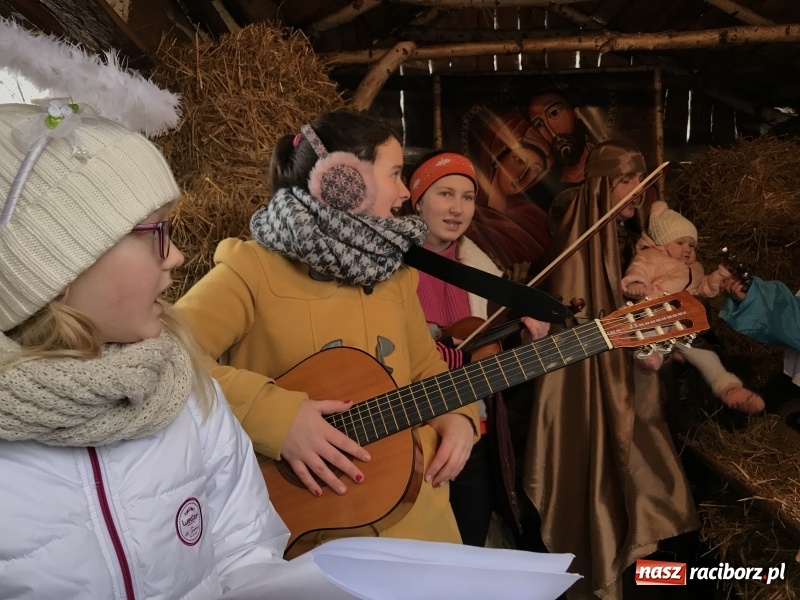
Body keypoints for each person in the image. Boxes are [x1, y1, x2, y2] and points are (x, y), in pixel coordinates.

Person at [0, 101, 289, 597]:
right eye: (154, 231)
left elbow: (245, 549)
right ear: (59, 269)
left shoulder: (186, 393)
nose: (176, 254)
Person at [175, 111, 480, 548]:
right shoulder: (252, 269)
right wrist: (277, 418)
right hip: (309, 532)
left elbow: (425, 367)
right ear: (343, 182)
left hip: (417, 523)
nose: (402, 191)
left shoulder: (395, 275)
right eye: (394, 174)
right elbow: (168, 357)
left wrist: (459, 418)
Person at [521, 142, 700, 599]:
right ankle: (600, 581)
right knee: (607, 483)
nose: (635, 190)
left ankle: (650, 584)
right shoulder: (574, 242)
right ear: (601, 184)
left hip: (638, 387)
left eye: (640, 180)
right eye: (624, 180)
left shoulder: (639, 242)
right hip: (588, 391)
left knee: (651, 494)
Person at [407, 150, 550, 547]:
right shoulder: (391, 269)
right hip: (409, 439)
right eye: (445, 194)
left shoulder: (488, 279)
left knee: (468, 545)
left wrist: (523, 339)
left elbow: (497, 373)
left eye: (467, 197)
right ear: (417, 199)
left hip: (475, 438)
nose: (457, 209)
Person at [621, 201, 764, 413]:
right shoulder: (652, 257)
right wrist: (636, 283)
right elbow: (640, 269)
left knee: (706, 355)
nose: (687, 250)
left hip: (681, 323)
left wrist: (718, 277)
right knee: (651, 329)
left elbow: (703, 289)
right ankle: (649, 354)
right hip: (656, 311)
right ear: (662, 242)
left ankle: (727, 386)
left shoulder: (694, 268)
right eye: (680, 243)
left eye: (691, 245)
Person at [467, 110, 553, 282]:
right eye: (518, 160)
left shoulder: (535, 221)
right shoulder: (462, 210)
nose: (522, 176)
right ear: (497, 156)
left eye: (534, 170)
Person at [528, 90, 593, 185]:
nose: (552, 132)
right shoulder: (548, 185)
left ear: (576, 112)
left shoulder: (609, 161)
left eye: (554, 113)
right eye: (539, 124)